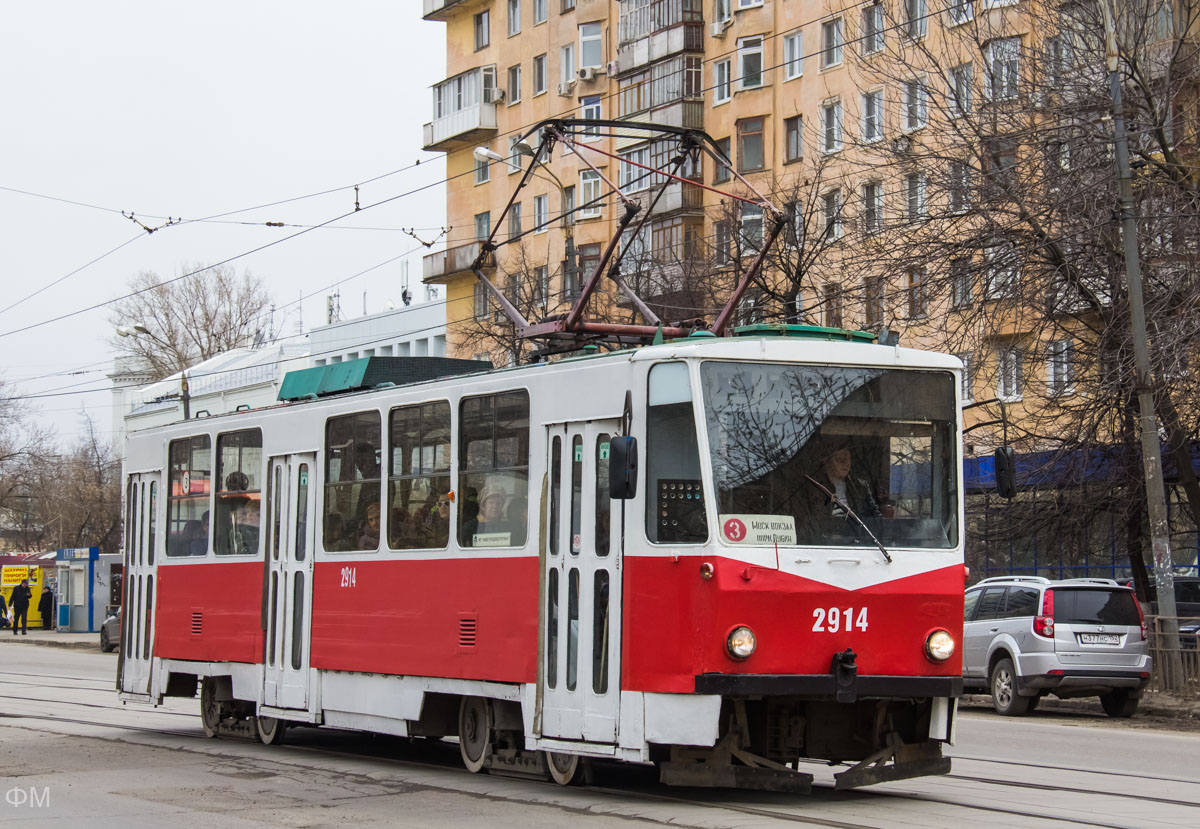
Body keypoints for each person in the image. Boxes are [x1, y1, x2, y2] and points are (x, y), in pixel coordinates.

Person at [809, 445, 883, 520]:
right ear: (827, 462)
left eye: (847, 459)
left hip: (858, 531)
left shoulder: (861, 486)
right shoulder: (816, 487)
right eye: (840, 459)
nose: (845, 463)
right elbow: (816, 519)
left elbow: (875, 515)